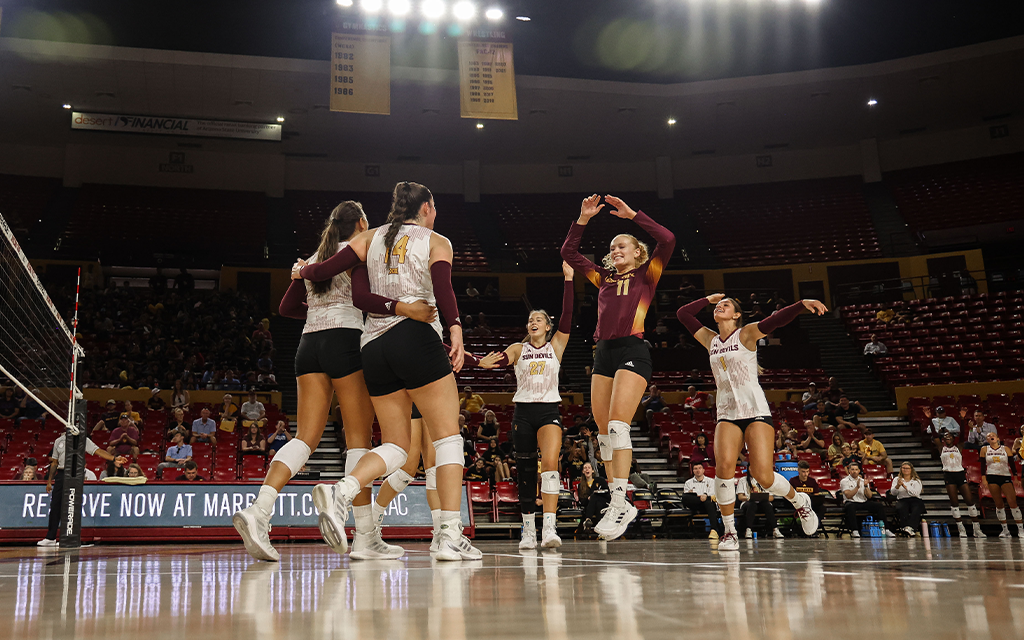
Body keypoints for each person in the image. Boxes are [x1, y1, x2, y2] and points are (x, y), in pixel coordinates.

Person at [295, 182, 481, 561]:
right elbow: (443, 290)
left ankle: (343, 490)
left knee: (396, 445)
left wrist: (302, 269)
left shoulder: (370, 237)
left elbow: (322, 271)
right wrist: (457, 329)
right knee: (448, 440)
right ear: (427, 208)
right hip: (416, 337)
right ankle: (447, 534)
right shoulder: (436, 240)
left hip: (373, 345)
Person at [235, 200, 420, 562]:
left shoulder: (314, 259)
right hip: (345, 340)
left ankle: (260, 509)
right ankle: (366, 536)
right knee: (358, 441)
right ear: (362, 222)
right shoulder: (359, 252)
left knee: (305, 438)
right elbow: (367, 298)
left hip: (308, 344)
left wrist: (317, 303)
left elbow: (287, 309)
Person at [560, 194, 675, 541]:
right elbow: (568, 253)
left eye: (623, 244)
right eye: (613, 246)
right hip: (604, 352)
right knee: (603, 432)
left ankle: (624, 498)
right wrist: (581, 219)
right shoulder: (603, 277)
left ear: (638, 251)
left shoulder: (648, 274)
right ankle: (616, 499)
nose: (617, 249)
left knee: (617, 424)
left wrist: (633, 216)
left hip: (633, 349)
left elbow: (667, 239)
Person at [676, 293, 824, 551]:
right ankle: (730, 532)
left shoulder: (745, 334)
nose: (721, 306)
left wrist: (800, 305)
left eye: (727, 305)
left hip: (755, 410)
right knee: (722, 471)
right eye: (719, 305)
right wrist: (707, 300)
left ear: (736, 315)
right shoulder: (710, 339)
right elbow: (683, 314)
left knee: (763, 477)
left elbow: (775, 320)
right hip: (727, 413)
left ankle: (799, 502)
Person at [478, 261, 574, 549]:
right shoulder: (519, 348)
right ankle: (529, 530)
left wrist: (568, 279)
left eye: (539, 319)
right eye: (530, 319)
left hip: (548, 411)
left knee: (551, 465)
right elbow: (504, 358)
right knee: (526, 469)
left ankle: (550, 529)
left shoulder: (555, 346)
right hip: (523, 412)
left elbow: (568, 315)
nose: (533, 322)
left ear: (547, 326)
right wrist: (483, 361)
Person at [39, 432, 124, 546]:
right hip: (61, 473)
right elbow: (54, 462)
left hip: (75, 473)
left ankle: (72, 536)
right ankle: (51, 537)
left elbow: (97, 450)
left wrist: (114, 459)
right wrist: (49, 481)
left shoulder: (82, 440)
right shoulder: (59, 440)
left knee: (73, 504)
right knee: (55, 504)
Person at [979, 432, 1024, 538]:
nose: (990, 437)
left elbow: (1012, 464)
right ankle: (1005, 530)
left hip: (1005, 476)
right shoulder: (984, 449)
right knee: (998, 503)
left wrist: (1016, 477)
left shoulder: (1005, 449)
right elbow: (982, 465)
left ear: (997, 438)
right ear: (987, 440)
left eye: (992, 435)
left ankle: (1021, 529)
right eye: (988, 436)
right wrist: (983, 478)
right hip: (991, 476)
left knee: (1012, 502)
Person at [939, 432, 984, 538]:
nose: (948, 438)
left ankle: (976, 529)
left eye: (950, 436)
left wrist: (962, 419)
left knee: (970, 501)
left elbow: (963, 435)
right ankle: (961, 529)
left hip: (960, 474)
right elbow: (936, 437)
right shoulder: (941, 448)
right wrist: (930, 420)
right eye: (946, 437)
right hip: (948, 475)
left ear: (954, 438)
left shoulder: (958, 447)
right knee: (954, 503)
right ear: (943, 440)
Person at [839, 462, 892, 538]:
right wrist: (857, 487)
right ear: (849, 471)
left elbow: (869, 496)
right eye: (852, 469)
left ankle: (886, 529)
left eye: (856, 469)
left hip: (863, 502)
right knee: (850, 507)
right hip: (851, 502)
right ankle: (855, 530)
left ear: (859, 470)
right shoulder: (844, 481)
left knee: (879, 506)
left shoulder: (863, 480)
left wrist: (866, 487)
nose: (854, 471)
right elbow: (848, 495)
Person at [735, 472, 783, 539]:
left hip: (762, 503)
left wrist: (763, 498)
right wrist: (748, 498)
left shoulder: (765, 480)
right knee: (752, 505)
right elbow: (740, 497)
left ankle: (775, 529)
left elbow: (771, 498)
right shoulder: (743, 480)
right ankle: (748, 530)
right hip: (748, 503)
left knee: (767, 505)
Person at [681, 462, 722, 537]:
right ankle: (715, 529)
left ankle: (714, 530)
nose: (698, 470)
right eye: (695, 469)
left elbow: (713, 494)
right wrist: (701, 497)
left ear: (703, 470)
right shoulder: (688, 483)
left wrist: (705, 496)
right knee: (684, 497)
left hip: (707, 505)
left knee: (709, 501)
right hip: (695, 505)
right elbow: (687, 497)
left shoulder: (711, 481)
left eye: (699, 468)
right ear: (693, 471)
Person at [789, 461, 826, 535]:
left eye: (807, 471)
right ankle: (807, 528)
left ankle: (815, 525)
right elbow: (791, 495)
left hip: (811, 504)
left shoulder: (812, 481)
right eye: (803, 472)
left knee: (822, 508)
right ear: (798, 470)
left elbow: (816, 495)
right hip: (798, 504)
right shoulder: (793, 481)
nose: (805, 474)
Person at [889, 462, 925, 535]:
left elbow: (916, 493)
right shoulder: (897, 479)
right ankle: (905, 527)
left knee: (916, 507)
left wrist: (905, 487)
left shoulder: (916, 481)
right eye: (903, 468)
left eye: (907, 468)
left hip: (914, 499)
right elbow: (893, 493)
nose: (905, 470)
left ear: (911, 469)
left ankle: (911, 527)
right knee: (902, 507)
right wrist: (897, 486)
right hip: (902, 499)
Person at [577, 462, 610, 528]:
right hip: (591, 505)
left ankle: (588, 519)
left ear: (592, 470)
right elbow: (582, 501)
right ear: (583, 471)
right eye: (585, 468)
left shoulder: (600, 480)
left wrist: (593, 496)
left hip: (603, 501)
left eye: (589, 468)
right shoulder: (581, 485)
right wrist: (588, 499)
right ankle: (601, 528)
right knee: (596, 502)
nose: (587, 469)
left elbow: (607, 494)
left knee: (594, 497)